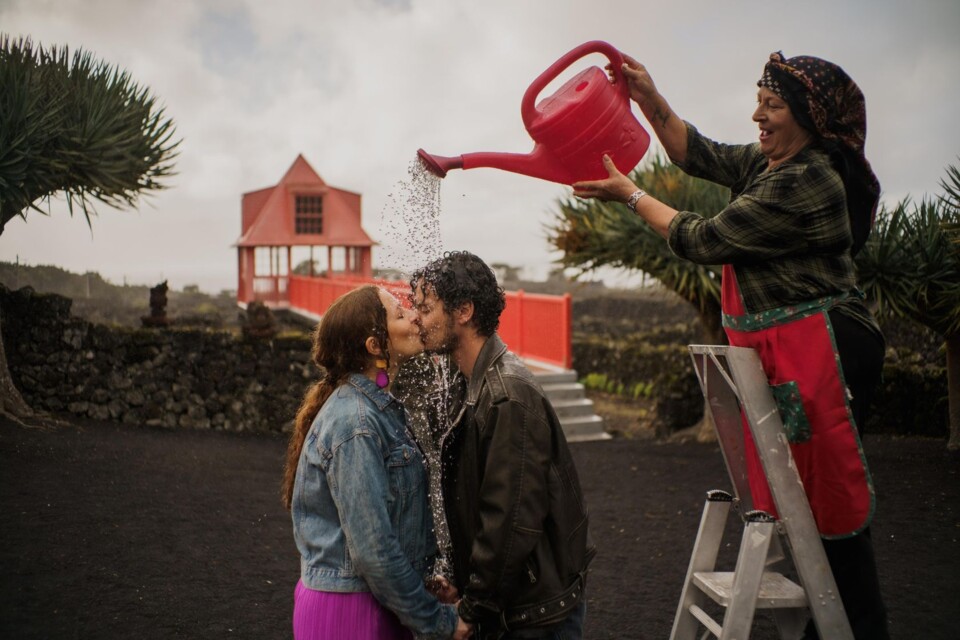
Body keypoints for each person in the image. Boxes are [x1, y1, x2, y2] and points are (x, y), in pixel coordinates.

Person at [572, 51, 889, 639]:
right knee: (802, 497)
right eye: (759, 102)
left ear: (809, 120)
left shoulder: (805, 180)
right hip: (795, 348)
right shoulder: (775, 163)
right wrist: (647, 96)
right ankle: (831, 620)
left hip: (827, 348)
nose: (756, 117)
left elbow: (706, 237)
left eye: (771, 106)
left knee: (830, 494)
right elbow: (701, 154)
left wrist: (631, 196)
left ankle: (857, 626)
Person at [410, 251, 596, 640]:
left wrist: (472, 608)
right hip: (513, 604)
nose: (416, 320)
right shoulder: (468, 382)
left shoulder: (507, 396)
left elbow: (509, 521)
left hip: (533, 616)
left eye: (425, 309)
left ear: (463, 311)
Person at [280, 285, 472, 640]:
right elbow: (372, 549)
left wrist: (424, 582)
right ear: (374, 346)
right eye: (399, 314)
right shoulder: (358, 423)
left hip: (369, 603)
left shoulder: (373, 409)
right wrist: (438, 621)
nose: (414, 315)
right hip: (351, 612)